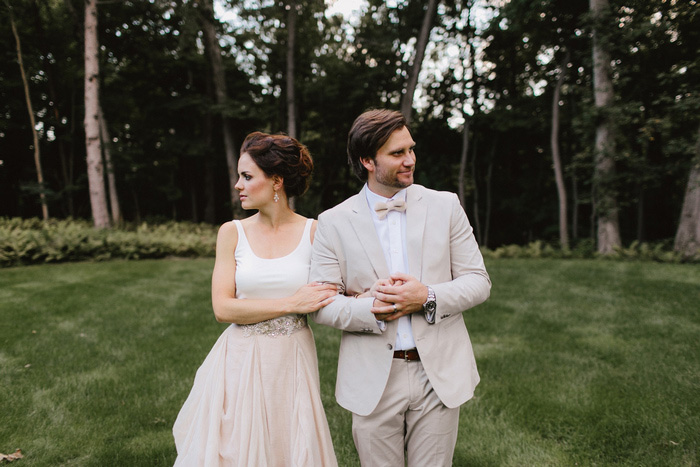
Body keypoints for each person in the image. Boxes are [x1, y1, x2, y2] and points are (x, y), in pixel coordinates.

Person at [310, 109, 491, 466]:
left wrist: (428, 296)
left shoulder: (445, 205)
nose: (410, 160)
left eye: (410, 149)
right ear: (366, 160)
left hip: (437, 371)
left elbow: (478, 281)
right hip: (373, 376)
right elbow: (322, 304)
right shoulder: (333, 222)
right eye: (397, 154)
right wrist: (369, 309)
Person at [173, 132, 339, 466]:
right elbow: (223, 307)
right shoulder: (231, 232)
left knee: (290, 443)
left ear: (276, 181)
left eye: (247, 176)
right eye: (239, 176)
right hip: (240, 357)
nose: (238, 185)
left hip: (293, 358)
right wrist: (292, 303)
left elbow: (337, 289)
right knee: (238, 449)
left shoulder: (315, 232)